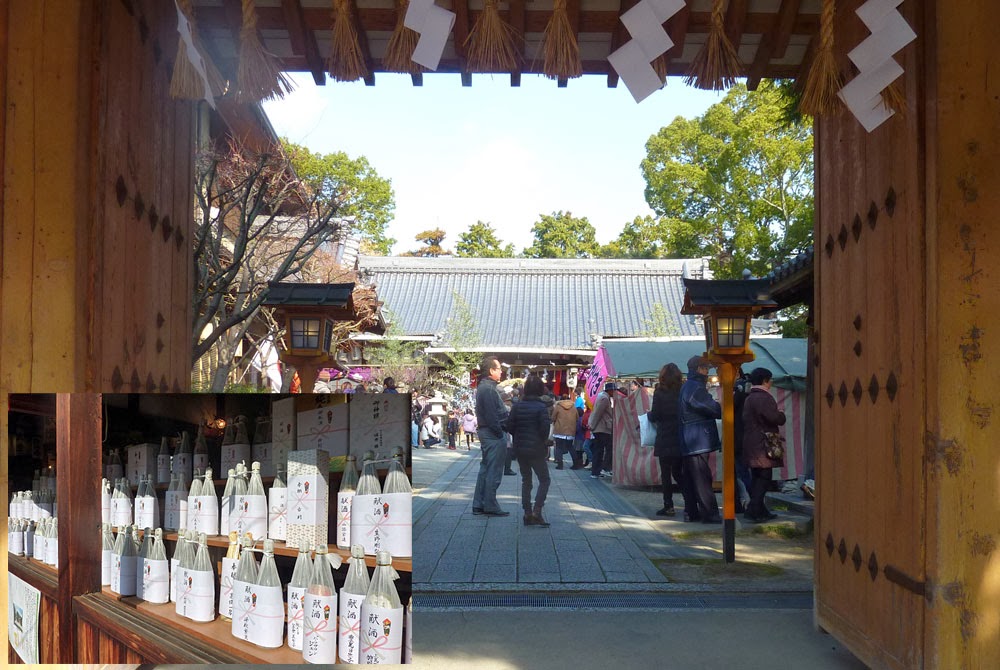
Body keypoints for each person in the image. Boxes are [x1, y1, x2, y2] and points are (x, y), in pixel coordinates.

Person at [679, 356, 723, 524]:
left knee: (691, 478)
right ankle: (709, 514)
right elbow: (711, 408)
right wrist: (719, 406)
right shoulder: (695, 387)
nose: (707, 372)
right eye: (706, 368)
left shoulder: (688, 385)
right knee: (702, 479)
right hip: (697, 440)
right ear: (699, 369)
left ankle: (691, 512)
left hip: (690, 439)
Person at [648, 363, 694, 517]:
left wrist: (648, 415)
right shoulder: (683, 391)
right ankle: (690, 505)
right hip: (681, 435)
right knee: (680, 473)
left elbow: (655, 415)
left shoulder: (659, 392)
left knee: (666, 474)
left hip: (665, 436)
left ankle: (668, 506)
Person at [506, 375, 553, 526]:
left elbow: (510, 427)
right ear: (540, 389)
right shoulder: (541, 407)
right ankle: (537, 511)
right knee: (544, 479)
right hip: (536, 449)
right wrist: (543, 441)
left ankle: (527, 512)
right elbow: (544, 429)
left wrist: (519, 435)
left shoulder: (517, 406)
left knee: (526, 480)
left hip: (520, 448)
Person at [741, 367, 787, 523]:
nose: (771, 382)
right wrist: (781, 414)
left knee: (757, 477)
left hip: (751, 442)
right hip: (763, 444)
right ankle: (753, 510)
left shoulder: (749, 398)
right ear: (765, 381)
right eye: (770, 379)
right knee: (764, 478)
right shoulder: (764, 397)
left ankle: (761, 511)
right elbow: (774, 418)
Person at [472, 356, 511, 516]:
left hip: (488, 432)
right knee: (493, 470)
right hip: (492, 433)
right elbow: (491, 415)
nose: (501, 372)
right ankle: (490, 504)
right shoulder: (488, 389)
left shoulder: (485, 387)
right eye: (499, 369)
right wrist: (499, 432)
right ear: (491, 370)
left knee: (486, 468)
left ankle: (479, 503)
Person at [588, 382, 616, 479]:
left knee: (599, 450)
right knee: (601, 450)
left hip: (600, 428)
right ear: (610, 390)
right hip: (602, 428)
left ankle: (597, 471)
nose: (614, 392)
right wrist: (592, 425)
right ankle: (598, 471)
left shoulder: (603, 397)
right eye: (613, 390)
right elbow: (598, 413)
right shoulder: (604, 398)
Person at [551, 394, 583, 469]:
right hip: (570, 430)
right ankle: (575, 464)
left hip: (559, 429)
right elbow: (577, 418)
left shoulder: (558, 406)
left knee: (559, 446)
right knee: (570, 447)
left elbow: (553, 417)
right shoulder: (573, 407)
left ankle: (560, 464)